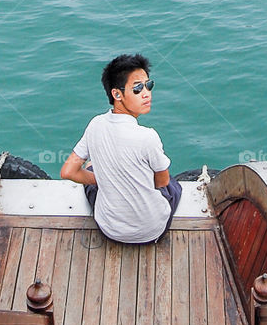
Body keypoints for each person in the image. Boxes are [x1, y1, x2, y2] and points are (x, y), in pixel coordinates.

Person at [60, 53, 182, 244]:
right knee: (173, 185)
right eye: (137, 88)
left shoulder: (95, 125)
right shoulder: (148, 136)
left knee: (92, 171)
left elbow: (68, 171)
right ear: (117, 94)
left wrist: (103, 179)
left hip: (110, 230)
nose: (146, 93)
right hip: (152, 231)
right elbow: (162, 181)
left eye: (148, 85)